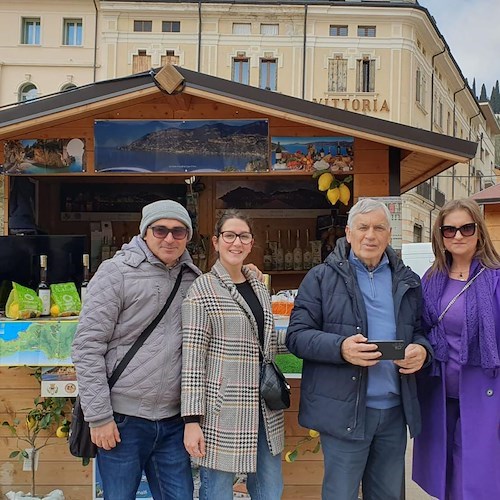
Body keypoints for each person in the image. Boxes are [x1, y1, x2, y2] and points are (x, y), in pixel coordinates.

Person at [286, 198, 432, 500]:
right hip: (345, 411)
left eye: (379, 228)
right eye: (363, 227)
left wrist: (422, 350)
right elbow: (297, 336)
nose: (371, 235)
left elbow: (420, 331)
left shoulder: (407, 281)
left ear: (389, 235)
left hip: (393, 411)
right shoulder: (321, 278)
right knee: (341, 494)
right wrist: (341, 348)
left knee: (389, 495)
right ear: (348, 233)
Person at [72, 200, 201, 500]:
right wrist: (100, 417)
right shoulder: (116, 273)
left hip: (172, 421)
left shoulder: (193, 279)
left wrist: (249, 274)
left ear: (187, 237)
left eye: (178, 231)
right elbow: (87, 346)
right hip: (122, 420)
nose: (169, 238)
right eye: (161, 229)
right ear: (145, 232)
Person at [181, 209, 285, 500]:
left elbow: (267, 341)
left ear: (251, 243)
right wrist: (191, 420)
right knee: (217, 491)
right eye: (229, 236)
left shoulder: (259, 286)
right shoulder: (202, 289)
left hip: (265, 407)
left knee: (270, 488)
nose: (235, 243)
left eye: (243, 236)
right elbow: (192, 359)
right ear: (216, 241)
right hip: (223, 410)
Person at [413, 199, 500, 499]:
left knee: (477, 478)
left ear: (479, 231)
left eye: (466, 228)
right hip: (438, 391)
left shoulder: (496, 278)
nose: (458, 236)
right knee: (445, 474)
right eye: (449, 230)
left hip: (485, 394)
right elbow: (419, 329)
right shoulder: (431, 280)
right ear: (440, 235)